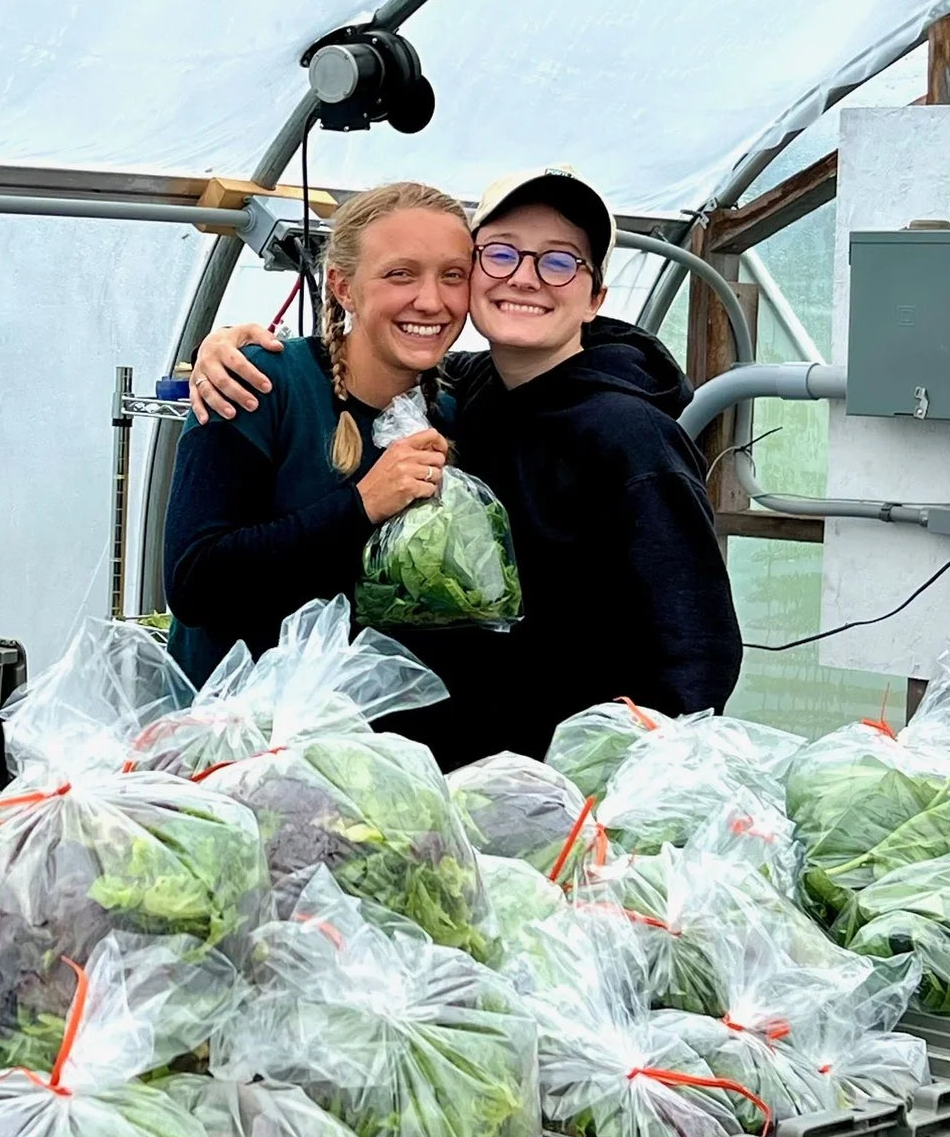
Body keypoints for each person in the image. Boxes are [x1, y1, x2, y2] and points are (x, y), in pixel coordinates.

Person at [188, 167, 740, 766]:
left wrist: (631, 794)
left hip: (559, 791)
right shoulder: (455, 397)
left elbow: (694, 650)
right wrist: (223, 346)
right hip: (377, 763)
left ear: (596, 300)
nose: (526, 279)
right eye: (500, 255)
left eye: (559, 263)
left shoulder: (632, 437)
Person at [161, 181, 473, 686]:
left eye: (453, 276)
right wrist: (361, 507)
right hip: (236, 741)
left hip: (371, 738)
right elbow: (195, 582)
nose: (431, 300)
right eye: (400, 274)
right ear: (342, 286)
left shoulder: (455, 414)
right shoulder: (259, 383)